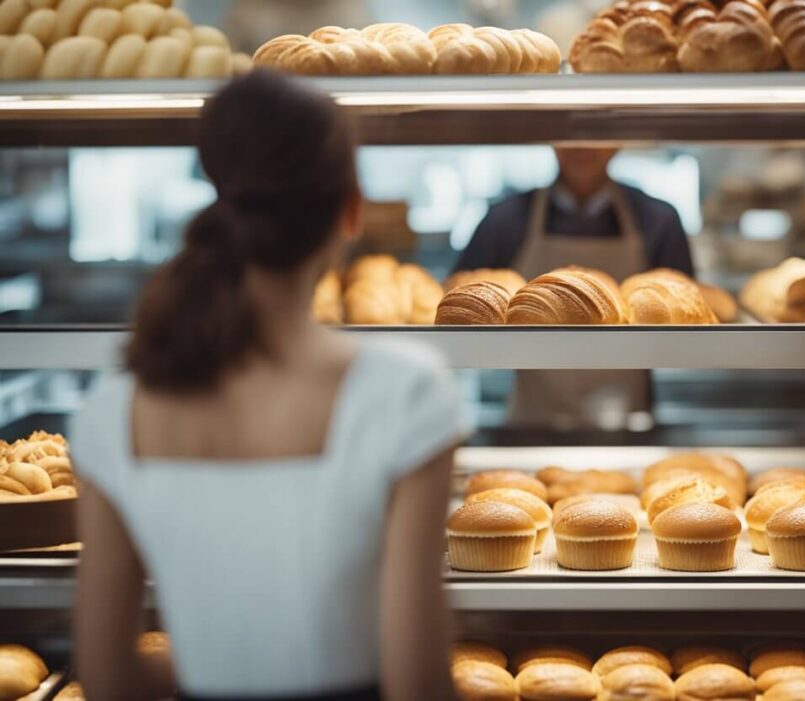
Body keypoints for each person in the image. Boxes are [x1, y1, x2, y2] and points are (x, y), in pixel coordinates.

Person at [70, 71, 463, 701]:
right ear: (351, 210)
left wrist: (211, 665)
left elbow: (108, 677)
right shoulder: (406, 395)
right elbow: (415, 682)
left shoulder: (112, 415)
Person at [454, 147, 695, 429]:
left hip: (629, 422)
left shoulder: (657, 219)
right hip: (532, 421)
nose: (581, 146)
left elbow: (687, 322)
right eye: (568, 135)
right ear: (551, 140)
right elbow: (460, 308)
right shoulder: (505, 219)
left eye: (597, 136)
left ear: (618, 142)